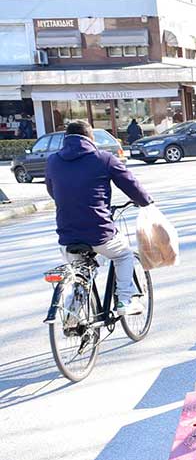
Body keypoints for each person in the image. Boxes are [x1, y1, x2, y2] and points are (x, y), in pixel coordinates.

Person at [45, 120, 154, 316]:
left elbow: (52, 191)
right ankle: (125, 300)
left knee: (81, 270)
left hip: (67, 235)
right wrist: (146, 202)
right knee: (123, 255)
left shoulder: (53, 160)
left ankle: (73, 312)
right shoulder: (104, 159)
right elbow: (130, 184)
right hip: (99, 232)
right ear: (90, 137)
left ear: (66, 138)